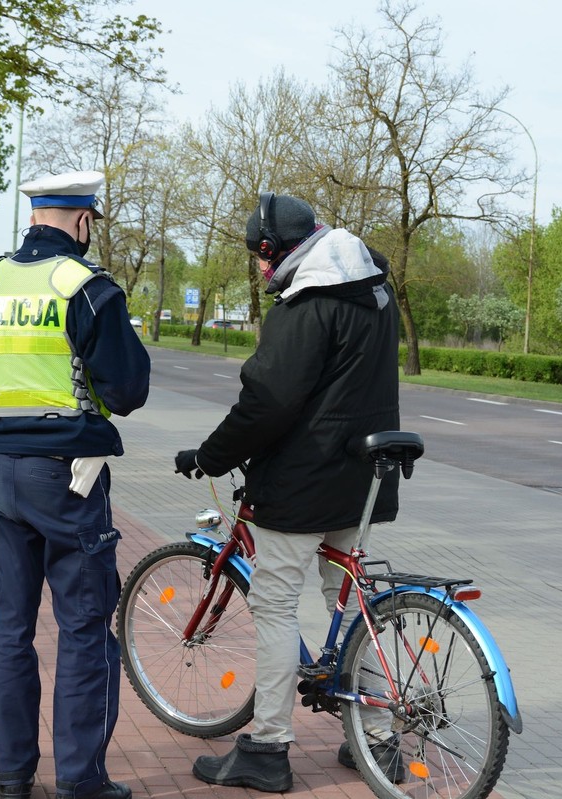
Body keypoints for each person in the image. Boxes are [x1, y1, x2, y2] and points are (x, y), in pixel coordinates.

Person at [174, 192, 401, 792]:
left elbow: (268, 401)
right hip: (363, 477)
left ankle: (268, 748)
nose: (257, 267)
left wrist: (210, 455)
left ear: (275, 250)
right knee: (353, 605)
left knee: (274, 605)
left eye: (257, 255)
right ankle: (377, 741)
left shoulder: (304, 305)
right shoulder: (377, 292)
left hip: (300, 484)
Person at [0, 170, 151, 799]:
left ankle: (11, 778)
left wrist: (11, 411)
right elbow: (128, 391)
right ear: (83, 220)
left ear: (36, 216)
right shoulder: (87, 288)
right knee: (85, 627)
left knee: (9, 628)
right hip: (70, 480)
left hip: (1, 475)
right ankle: (81, 781)